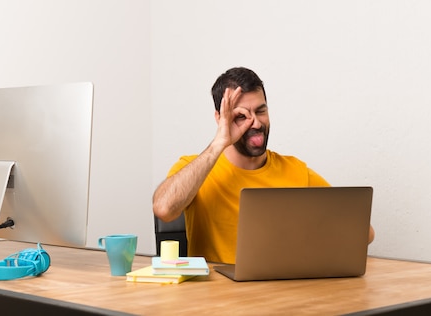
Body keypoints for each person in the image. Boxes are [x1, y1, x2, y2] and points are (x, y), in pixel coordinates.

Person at [153, 67, 375, 264]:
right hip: (219, 303)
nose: (256, 123)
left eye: (261, 111)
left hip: (283, 297)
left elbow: (364, 233)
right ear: (220, 119)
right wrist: (219, 143)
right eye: (242, 116)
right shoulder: (196, 168)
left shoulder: (295, 171)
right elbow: (164, 209)